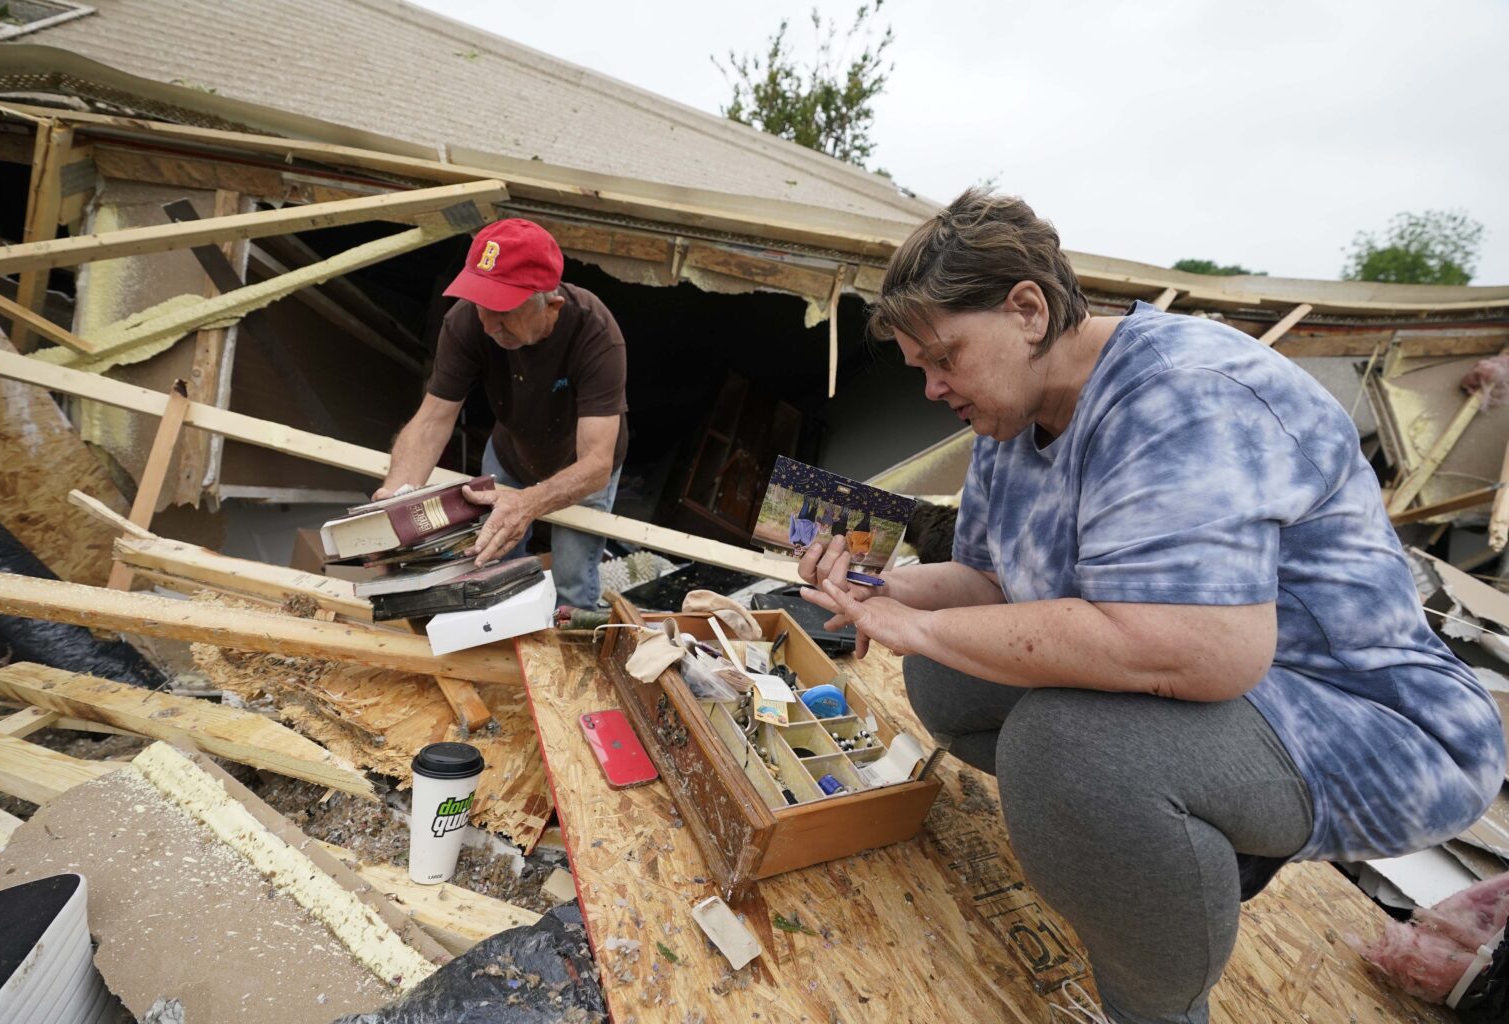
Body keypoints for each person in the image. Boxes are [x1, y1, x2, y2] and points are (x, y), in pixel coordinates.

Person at [799, 189, 1506, 1024]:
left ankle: (1160, 1003)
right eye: (921, 368)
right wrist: (885, 591)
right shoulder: (1009, 416)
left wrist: (922, 627)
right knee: (950, 684)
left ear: (1028, 309)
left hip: (1363, 718)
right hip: (1234, 689)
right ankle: (1162, 846)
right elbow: (991, 585)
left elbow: (1206, 652)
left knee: (1070, 755)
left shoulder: (1182, 393)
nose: (931, 386)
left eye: (944, 357)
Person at [375, 219, 627, 609]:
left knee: (573, 579)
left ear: (551, 305)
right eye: (481, 303)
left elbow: (596, 462)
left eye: (503, 309)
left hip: (580, 467)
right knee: (492, 563)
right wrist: (395, 497)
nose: (489, 323)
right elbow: (431, 420)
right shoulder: (466, 322)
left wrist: (528, 503)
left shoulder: (595, 333)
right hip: (511, 453)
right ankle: (505, 634)